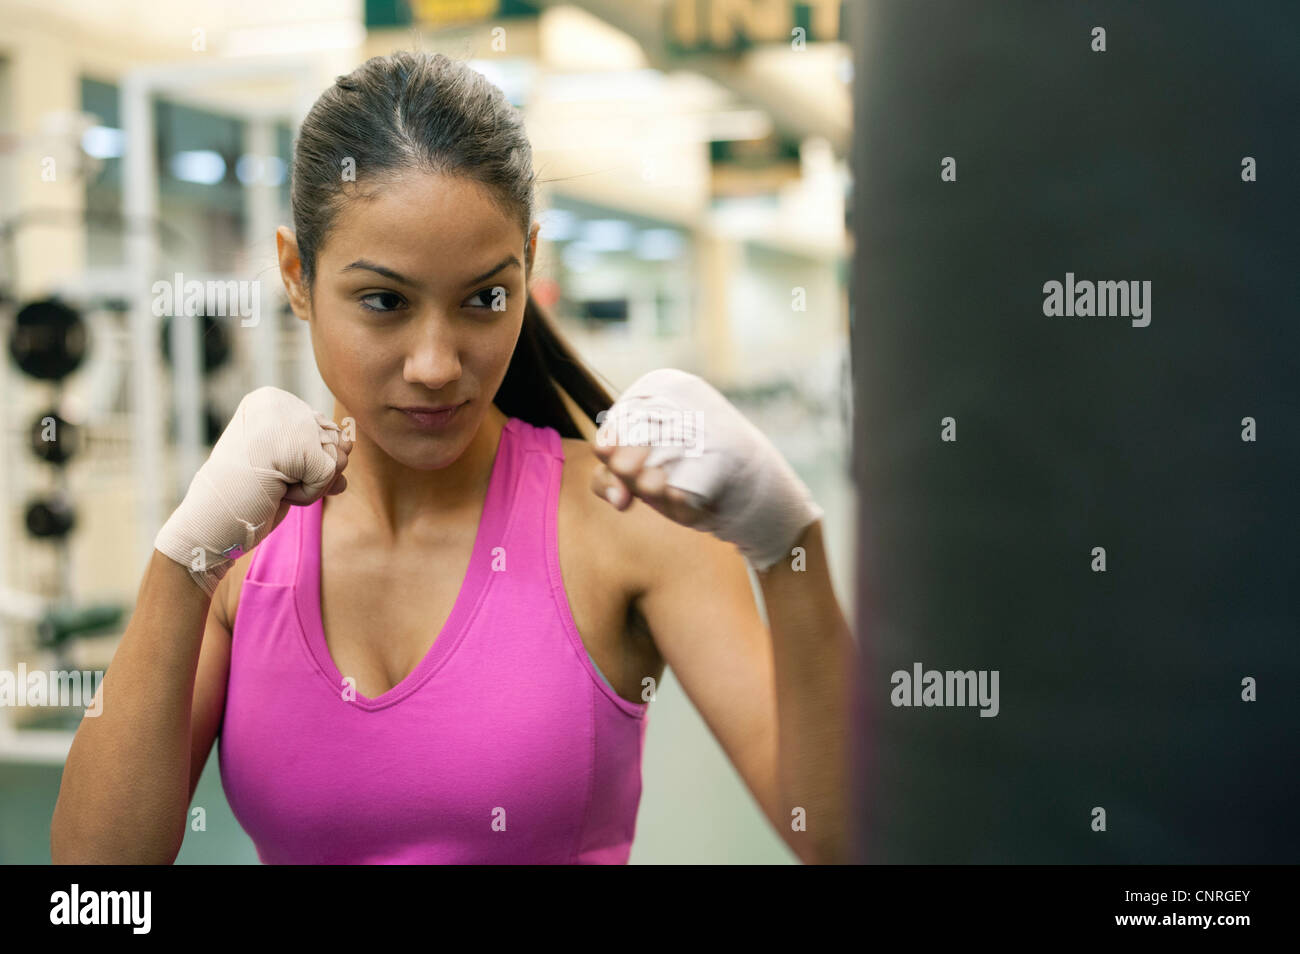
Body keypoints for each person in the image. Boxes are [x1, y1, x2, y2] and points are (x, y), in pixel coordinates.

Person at [50, 50, 855, 865]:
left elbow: (843, 842)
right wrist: (182, 560)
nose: (436, 364)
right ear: (297, 276)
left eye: (483, 298)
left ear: (529, 267)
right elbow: (92, 889)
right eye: (384, 302)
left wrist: (789, 539)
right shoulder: (238, 553)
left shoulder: (622, 523)